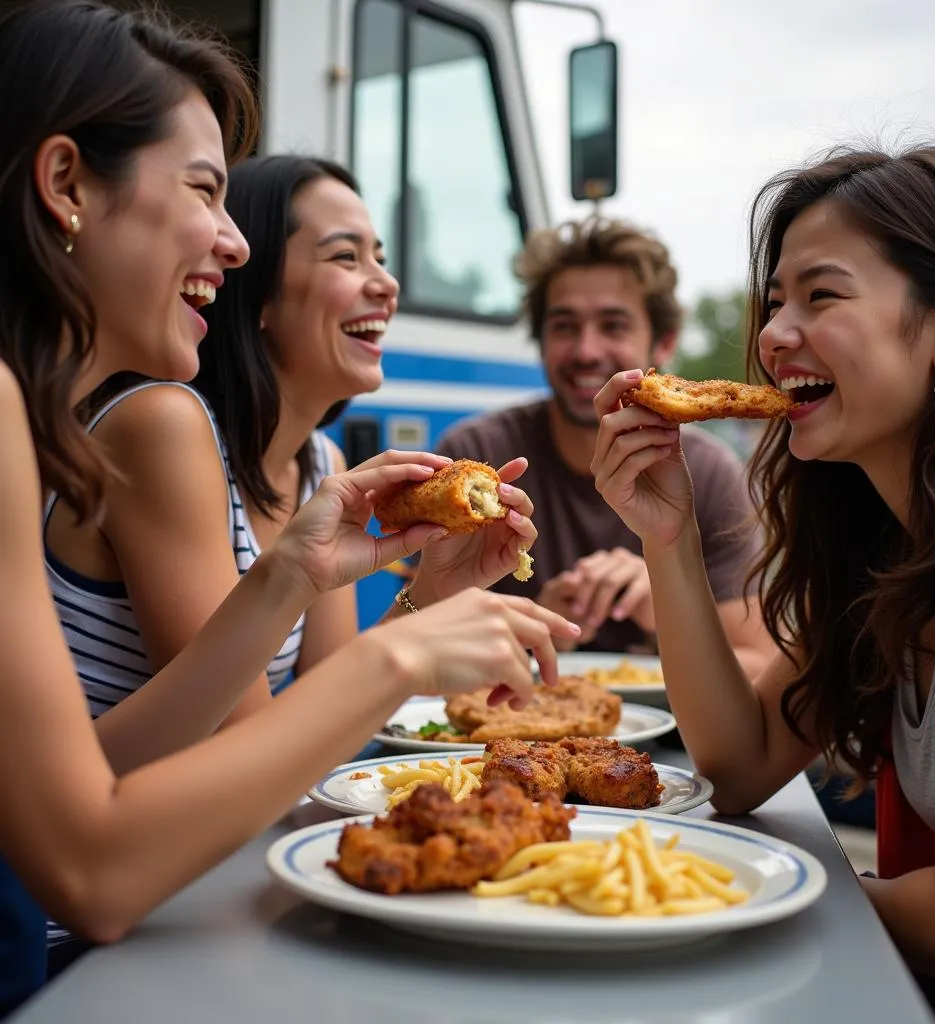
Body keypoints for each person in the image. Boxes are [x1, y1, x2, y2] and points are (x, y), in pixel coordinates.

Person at [0, 1, 576, 1013]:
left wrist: (299, 581)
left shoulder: (293, 463)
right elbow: (89, 870)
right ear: (64, 184)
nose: (230, 244)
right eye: (203, 191)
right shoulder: (122, 420)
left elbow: (79, 781)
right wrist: (396, 654)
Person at [591, 145, 935, 1023]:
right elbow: (741, 763)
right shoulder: (896, 537)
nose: (774, 335)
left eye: (821, 296)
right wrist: (665, 537)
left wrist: (731, 879)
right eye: (776, 301)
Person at [47, 153, 539, 721]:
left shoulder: (318, 461)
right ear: (260, 296)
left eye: (379, 258)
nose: (387, 284)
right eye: (345, 257)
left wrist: (433, 590)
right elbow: (247, 742)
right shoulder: (164, 427)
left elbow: (324, 713)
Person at [437, 218, 774, 675]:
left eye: (613, 325)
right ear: (540, 340)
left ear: (664, 341)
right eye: (564, 326)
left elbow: (761, 667)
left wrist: (667, 610)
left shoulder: (708, 472)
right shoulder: (477, 459)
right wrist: (536, 622)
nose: (586, 350)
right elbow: (423, 658)